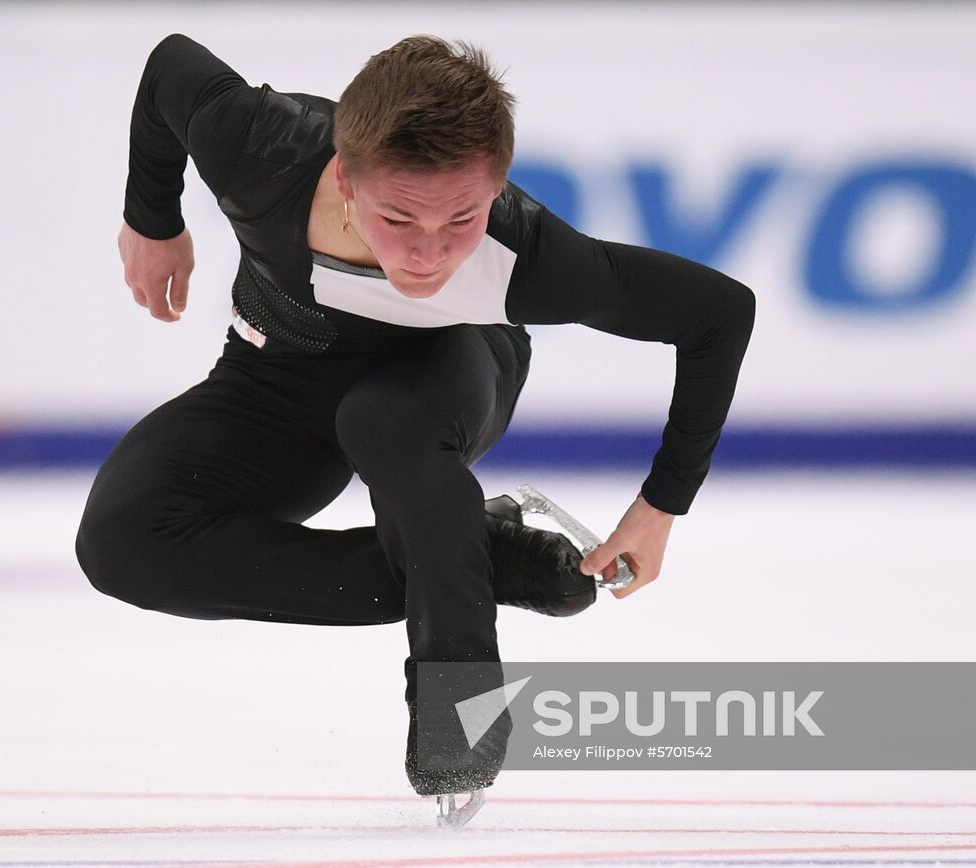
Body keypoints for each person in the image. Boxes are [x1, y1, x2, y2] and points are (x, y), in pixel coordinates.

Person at [76, 33, 755, 808]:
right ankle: (474, 555)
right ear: (344, 175)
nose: (430, 254)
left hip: (449, 373)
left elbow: (718, 314)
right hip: (276, 380)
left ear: (495, 191)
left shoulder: (525, 256)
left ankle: (458, 710)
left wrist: (662, 504)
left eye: (461, 218)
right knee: (122, 540)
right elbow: (171, 67)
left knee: (385, 420)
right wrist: (152, 216)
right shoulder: (261, 148)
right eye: (399, 218)